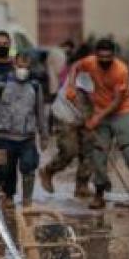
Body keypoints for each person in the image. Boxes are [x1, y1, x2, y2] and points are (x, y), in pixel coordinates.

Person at [67, 38, 129, 210]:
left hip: (121, 111)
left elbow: (116, 102)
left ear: (114, 55)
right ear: (96, 55)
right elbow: (75, 66)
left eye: (108, 58)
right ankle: (99, 194)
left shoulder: (121, 70)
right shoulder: (90, 62)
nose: (105, 61)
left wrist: (96, 118)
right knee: (99, 153)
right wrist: (71, 85)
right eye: (101, 58)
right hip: (100, 108)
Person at [0, 52, 48, 207]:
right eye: (20, 65)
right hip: (4, 136)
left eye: (26, 66)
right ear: (14, 65)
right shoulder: (1, 82)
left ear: (30, 67)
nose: (22, 69)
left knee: (29, 166)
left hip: (27, 137)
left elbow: (40, 112)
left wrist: (44, 135)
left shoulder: (35, 85)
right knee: (5, 171)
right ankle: (8, 200)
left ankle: (27, 202)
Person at [39, 69, 95, 198]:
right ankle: (48, 170)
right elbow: (81, 97)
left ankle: (82, 185)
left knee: (89, 149)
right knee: (70, 150)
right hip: (65, 114)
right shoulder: (85, 73)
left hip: (86, 116)